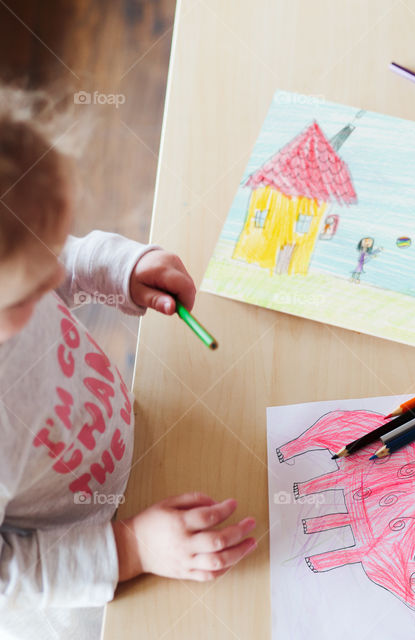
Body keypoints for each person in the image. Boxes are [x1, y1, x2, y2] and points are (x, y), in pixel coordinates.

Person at [0, 89, 256, 639]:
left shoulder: (15, 254)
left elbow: (45, 256)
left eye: (51, 254)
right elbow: (7, 573)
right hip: (88, 576)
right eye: (32, 290)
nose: (55, 282)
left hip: (137, 448)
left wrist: (111, 266)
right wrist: (131, 548)